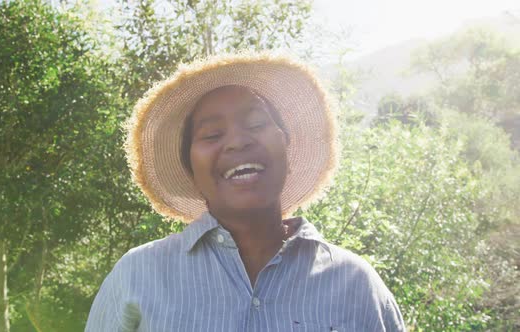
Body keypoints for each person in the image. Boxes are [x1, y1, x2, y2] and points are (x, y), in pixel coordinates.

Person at [86, 52, 406, 331]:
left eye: (255, 124)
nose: (238, 141)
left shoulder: (355, 283)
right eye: (212, 134)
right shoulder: (138, 275)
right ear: (191, 170)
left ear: (286, 149)